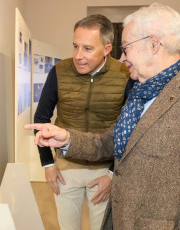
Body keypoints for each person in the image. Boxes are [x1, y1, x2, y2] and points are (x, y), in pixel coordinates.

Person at [26, 3, 180, 229]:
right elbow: (117, 142)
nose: (122, 58)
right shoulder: (141, 90)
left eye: (126, 48)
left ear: (153, 44)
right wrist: (68, 139)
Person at [33, 14, 129, 230]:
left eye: (87, 48)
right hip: (66, 168)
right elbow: (41, 120)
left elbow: (130, 129)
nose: (78, 56)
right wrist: (47, 164)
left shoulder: (124, 74)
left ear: (106, 49)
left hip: (104, 170)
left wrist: (113, 174)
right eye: (75, 46)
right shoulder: (59, 71)